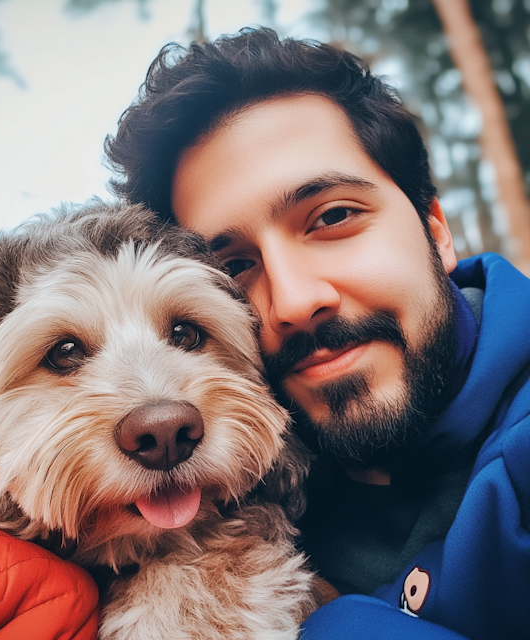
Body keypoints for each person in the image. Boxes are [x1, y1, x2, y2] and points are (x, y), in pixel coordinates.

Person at [104, 28, 530, 640]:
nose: (296, 301)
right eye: (231, 267)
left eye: (333, 217)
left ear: (435, 229)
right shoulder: (202, 493)